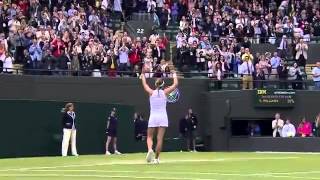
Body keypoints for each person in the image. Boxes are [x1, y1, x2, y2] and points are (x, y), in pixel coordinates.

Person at [141, 67, 178, 164]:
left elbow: (144, 84)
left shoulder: (151, 92)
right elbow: (175, 84)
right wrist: (174, 74)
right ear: (163, 85)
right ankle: (156, 159)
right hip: (163, 117)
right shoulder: (165, 92)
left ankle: (150, 150)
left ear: (156, 84)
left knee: (149, 137)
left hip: (153, 117)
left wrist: (143, 73)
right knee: (160, 139)